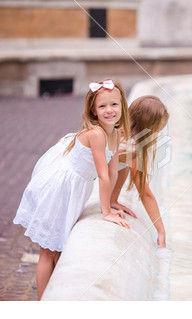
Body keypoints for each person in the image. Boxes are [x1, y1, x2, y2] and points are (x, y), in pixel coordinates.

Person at [13, 79, 131, 300]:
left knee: (60, 248)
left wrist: (113, 201)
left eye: (114, 104)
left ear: (122, 106)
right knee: (48, 252)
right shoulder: (96, 134)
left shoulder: (116, 133)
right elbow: (103, 175)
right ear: (93, 111)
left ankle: (59, 298)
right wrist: (106, 212)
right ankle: (43, 303)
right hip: (61, 188)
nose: (109, 111)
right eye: (102, 106)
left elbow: (113, 172)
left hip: (75, 188)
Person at [110, 95, 169, 248]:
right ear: (147, 129)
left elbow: (121, 168)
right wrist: (161, 231)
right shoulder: (132, 149)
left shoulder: (118, 128)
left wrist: (113, 200)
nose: (157, 136)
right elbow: (145, 193)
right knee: (51, 251)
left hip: (62, 162)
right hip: (71, 178)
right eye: (156, 131)